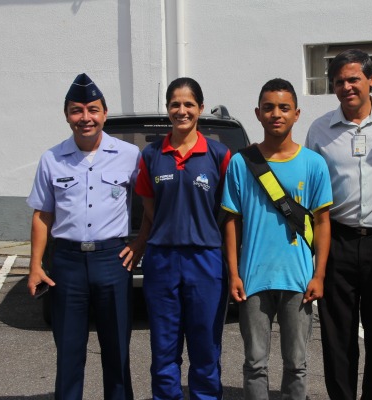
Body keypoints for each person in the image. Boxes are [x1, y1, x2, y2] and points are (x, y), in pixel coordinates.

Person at [26, 73, 144, 400]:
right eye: (77, 110)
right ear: (67, 115)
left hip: (112, 260)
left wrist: (139, 243)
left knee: (117, 350)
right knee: (68, 351)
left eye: (92, 109)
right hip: (67, 263)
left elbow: (149, 204)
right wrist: (36, 265)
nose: (85, 118)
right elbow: (42, 215)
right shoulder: (51, 159)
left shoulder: (129, 155)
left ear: (104, 114)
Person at [305, 49, 372, 399]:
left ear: (371, 80)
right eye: (339, 82)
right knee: (337, 338)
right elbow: (311, 194)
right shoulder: (320, 130)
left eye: (353, 79)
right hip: (337, 242)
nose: (347, 87)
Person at [222, 78, 332, 400]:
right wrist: (234, 274)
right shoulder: (241, 163)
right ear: (258, 113)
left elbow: (323, 222)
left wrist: (319, 275)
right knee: (255, 363)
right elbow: (231, 222)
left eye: (284, 108)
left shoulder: (313, 164)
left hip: (298, 280)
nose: (276, 114)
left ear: (297, 114)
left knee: (296, 363)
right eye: (268, 107)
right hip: (254, 279)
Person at [135, 77, 230, 400]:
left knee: (205, 350)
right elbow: (149, 205)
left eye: (189, 104)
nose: (182, 110)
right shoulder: (151, 155)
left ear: (200, 108)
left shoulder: (219, 155)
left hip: (206, 261)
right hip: (162, 260)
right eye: (175, 104)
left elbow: (228, 211)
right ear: (167, 109)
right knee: (164, 350)